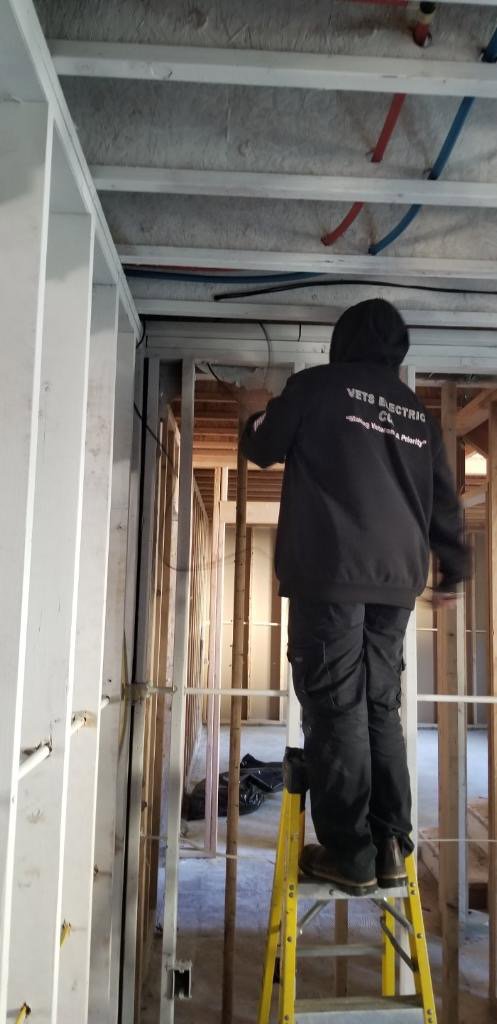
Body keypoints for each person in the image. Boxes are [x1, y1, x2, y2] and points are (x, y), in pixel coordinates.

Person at [240, 298, 469, 896]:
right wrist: (455, 570)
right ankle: (391, 842)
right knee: (378, 708)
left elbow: (262, 446)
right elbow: (444, 500)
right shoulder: (416, 415)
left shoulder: (317, 387)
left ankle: (350, 853)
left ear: (343, 342)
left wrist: (252, 416)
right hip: (395, 580)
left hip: (332, 572)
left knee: (337, 706)